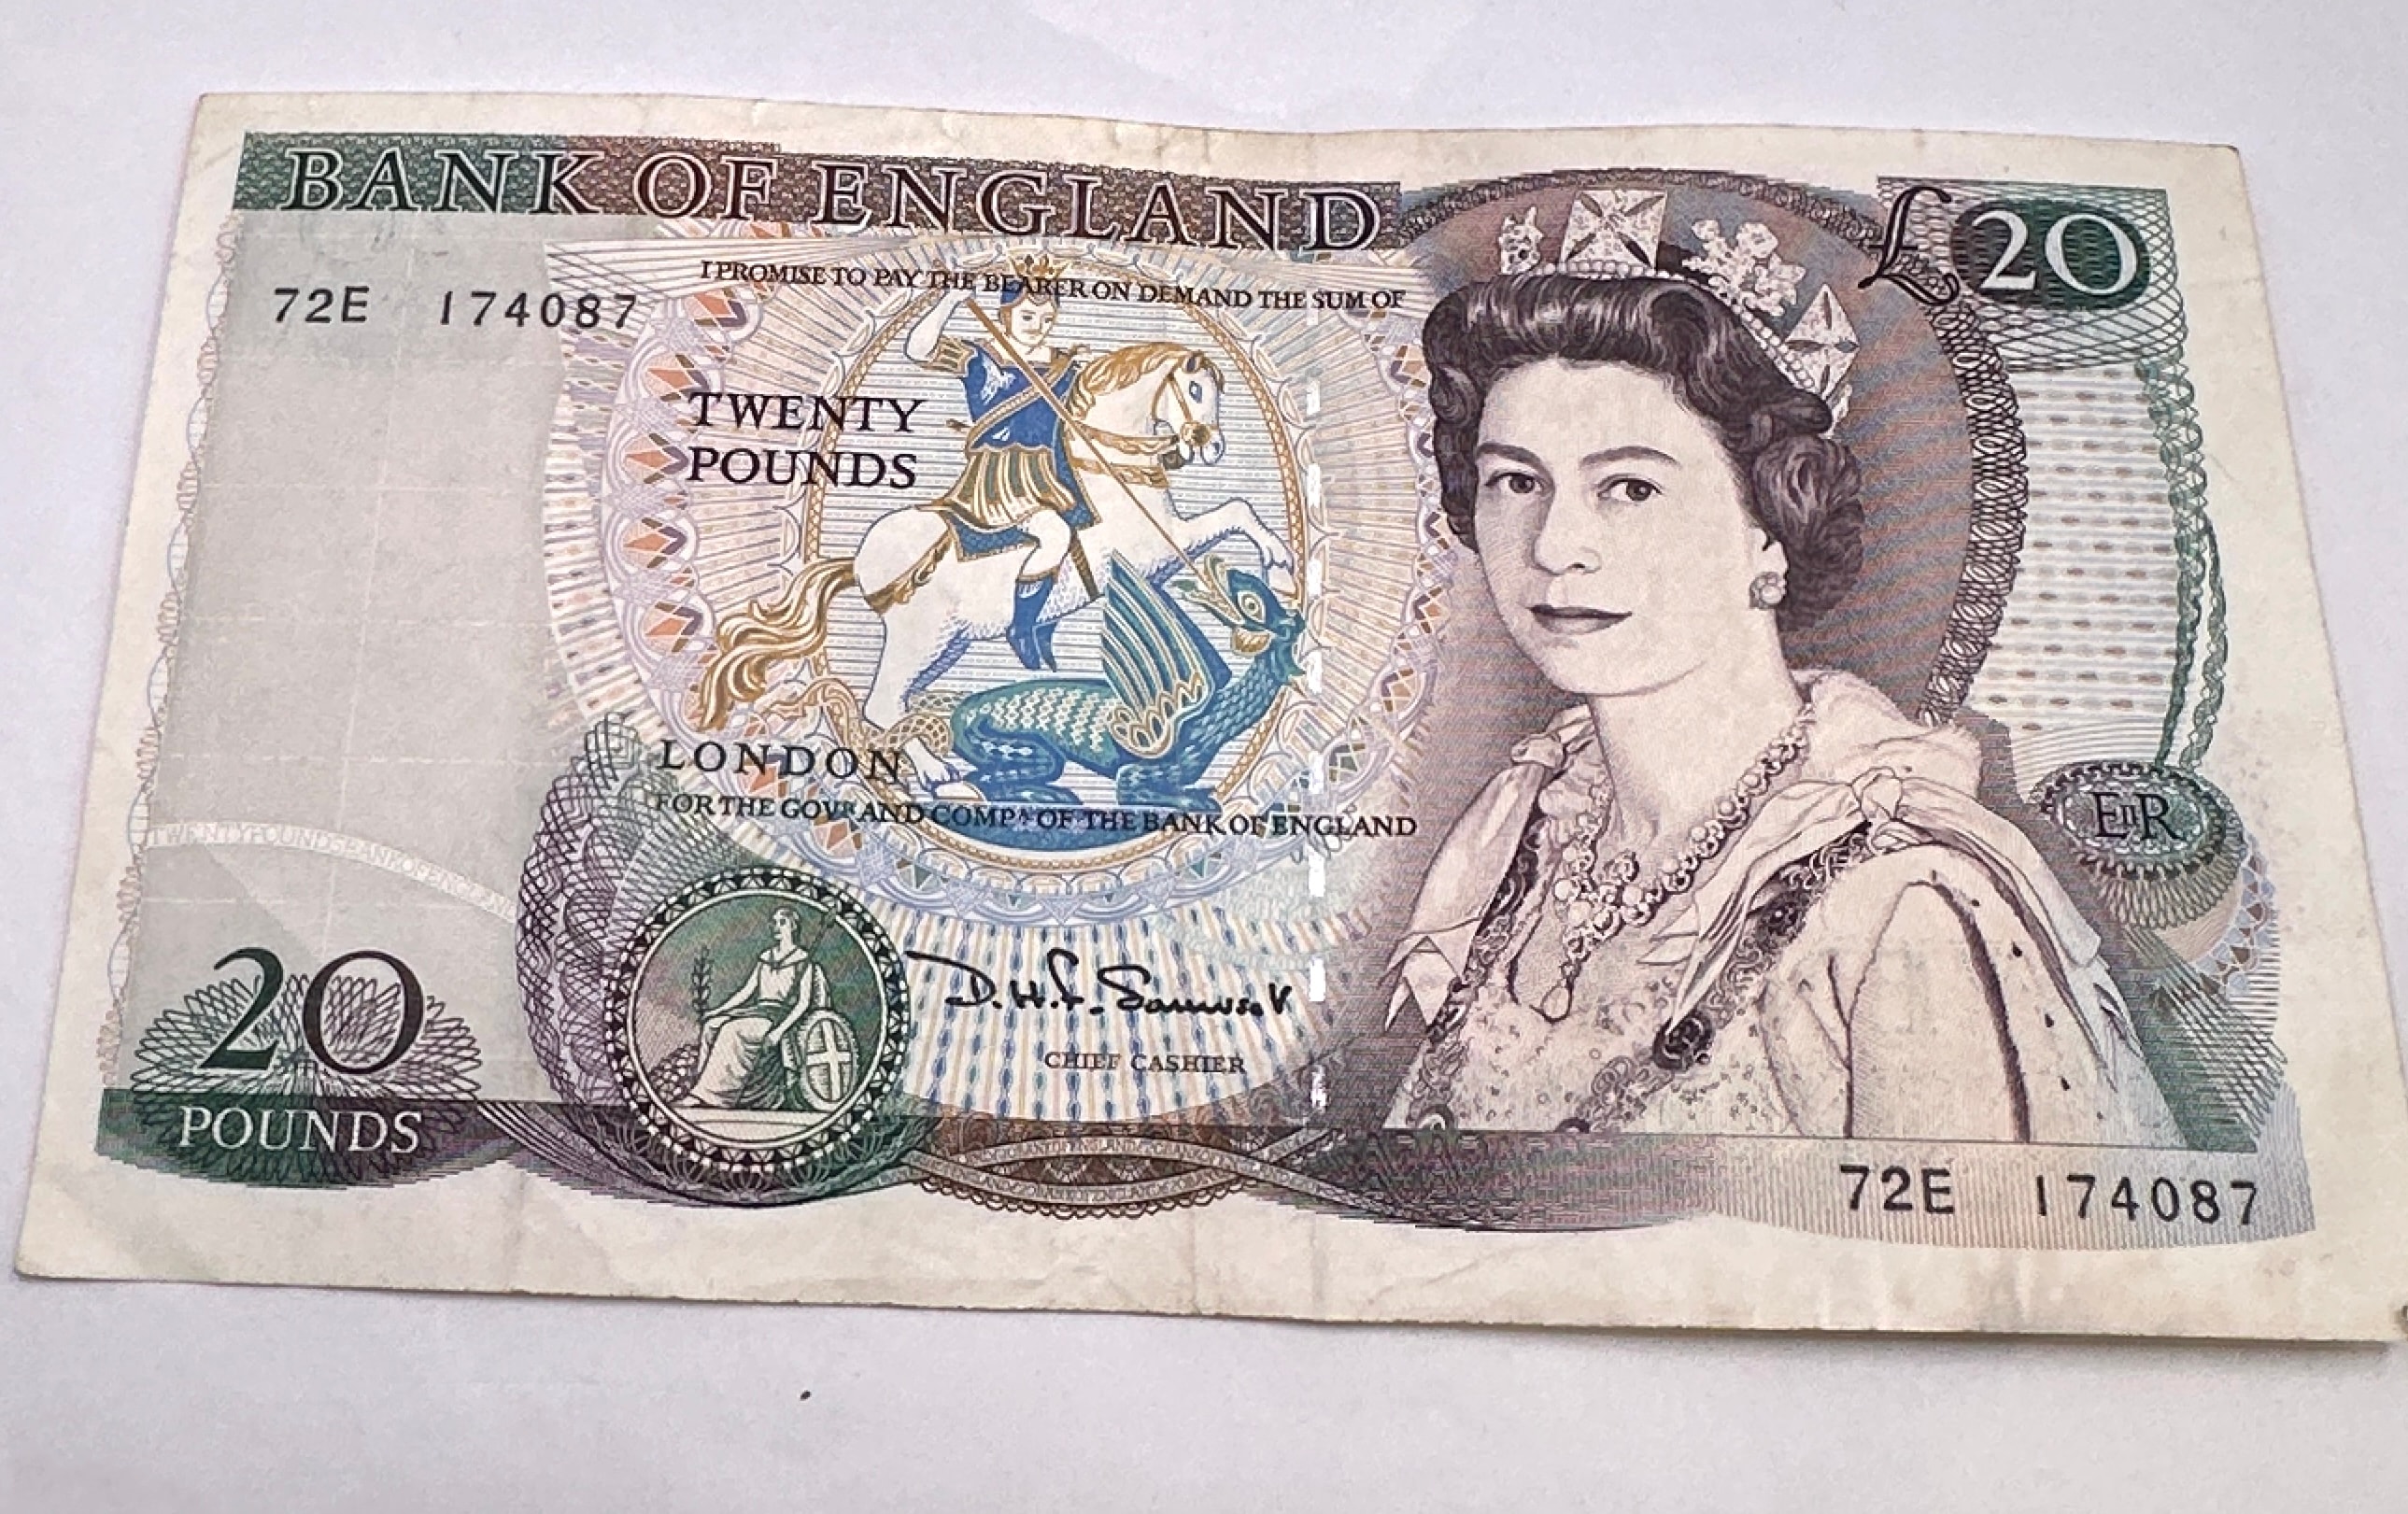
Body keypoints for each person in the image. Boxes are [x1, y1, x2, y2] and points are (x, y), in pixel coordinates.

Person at [1386, 273, 2180, 1144]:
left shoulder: (1901, 899)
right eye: (1514, 481)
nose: (1555, 546)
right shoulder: (1513, 838)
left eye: (1630, 487)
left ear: (1768, 530)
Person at [903, 262, 1098, 671]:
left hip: (1052, 473)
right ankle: (1022, 627)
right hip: (997, 480)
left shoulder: (1064, 365)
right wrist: (949, 301)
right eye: (1027, 316)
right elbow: (917, 351)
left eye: (1047, 319)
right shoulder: (980, 357)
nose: (1037, 327)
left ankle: (1045, 620)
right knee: (1054, 534)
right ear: (1005, 314)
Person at [684, 906, 843, 1111]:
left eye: (782, 922)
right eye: (774, 922)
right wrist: (718, 1011)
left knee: (733, 1030)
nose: (776, 926)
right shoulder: (766, 957)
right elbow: (746, 992)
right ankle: (701, 1088)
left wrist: (778, 1032)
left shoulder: (804, 961)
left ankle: (714, 1097)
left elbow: (803, 1004)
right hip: (758, 1011)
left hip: (778, 1016)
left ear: (793, 927)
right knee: (711, 1026)